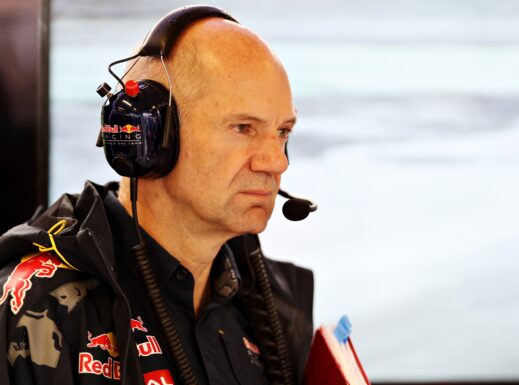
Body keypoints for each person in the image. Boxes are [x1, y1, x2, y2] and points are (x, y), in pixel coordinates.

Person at [0, 6, 314, 385]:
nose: (276, 162)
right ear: (148, 137)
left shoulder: (273, 307)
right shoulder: (38, 308)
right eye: (243, 127)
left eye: (282, 132)